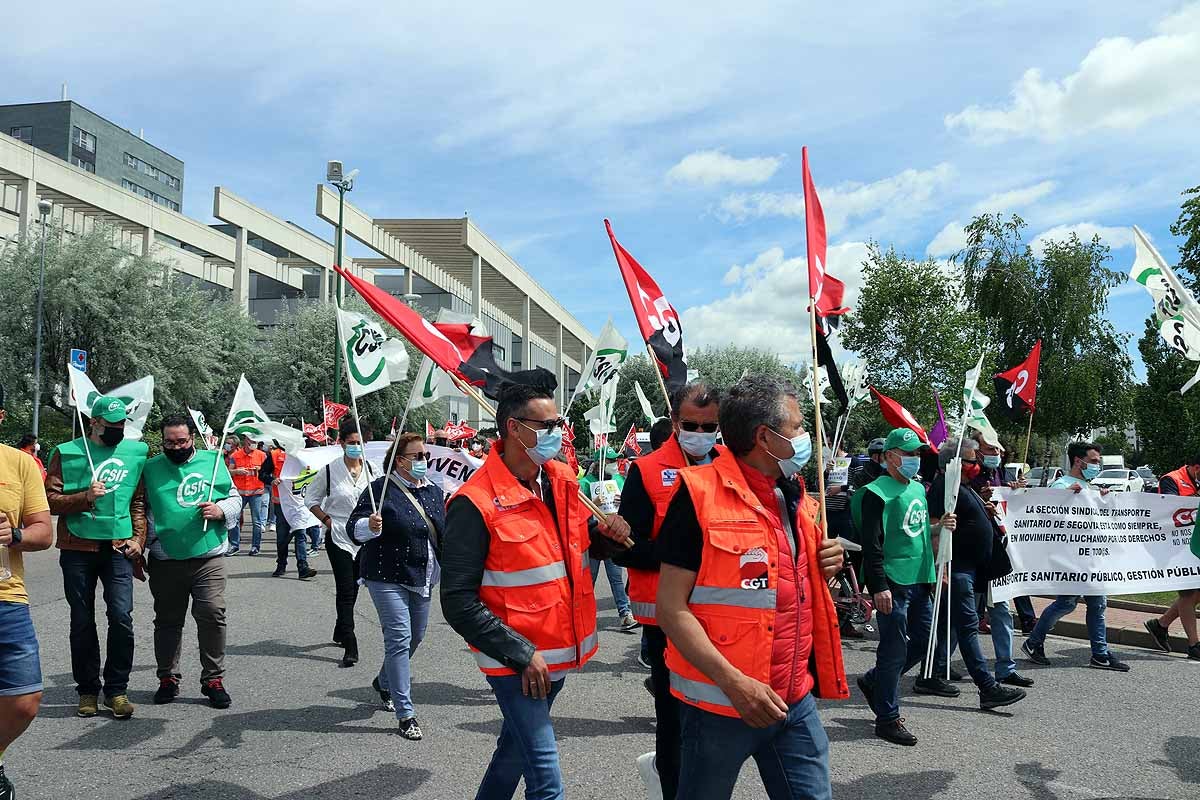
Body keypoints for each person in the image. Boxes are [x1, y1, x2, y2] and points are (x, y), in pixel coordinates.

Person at [654, 374, 846, 800]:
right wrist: (736, 684)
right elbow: (670, 608)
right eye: (797, 427)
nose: (805, 436)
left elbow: (781, 583)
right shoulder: (697, 494)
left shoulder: (794, 494)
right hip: (720, 706)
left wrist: (824, 567)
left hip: (794, 701)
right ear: (766, 437)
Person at [440, 380, 631, 800]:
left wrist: (608, 536)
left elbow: (579, 543)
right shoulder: (474, 503)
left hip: (559, 651)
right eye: (548, 424)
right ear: (514, 428)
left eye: (559, 422)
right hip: (517, 662)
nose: (559, 432)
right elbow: (456, 602)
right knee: (545, 779)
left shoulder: (561, 478)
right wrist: (522, 654)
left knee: (512, 755)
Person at [612, 379, 723, 800]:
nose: (700, 433)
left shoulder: (731, 464)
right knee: (674, 716)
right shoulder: (645, 470)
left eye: (709, 425)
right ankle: (671, 783)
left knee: (714, 716)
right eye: (691, 424)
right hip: (667, 618)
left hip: (723, 613)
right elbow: (627, 547)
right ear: (675, 422)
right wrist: (683, 556)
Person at [45, 395, 149, 719]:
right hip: (77, 548)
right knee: (81, 621)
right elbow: (50, 499)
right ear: (94, 422)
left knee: (122, 617)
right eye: (111, 425)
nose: (117, 430)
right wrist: (84, 498)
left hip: (119, 548)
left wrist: (138, 539)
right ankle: (88, 690)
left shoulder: (136, 453)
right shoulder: (66, 452)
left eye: (122, 425)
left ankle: (117, 690)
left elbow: (138, 502)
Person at [853, 428, 956, 746]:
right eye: (908, 453)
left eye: (917, 454)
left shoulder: (917, 489)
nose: (914, 459)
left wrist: (941, 527)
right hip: (893, 583)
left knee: (926, 642)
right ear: (888, 457)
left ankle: (874, 682)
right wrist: (878, 586)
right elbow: (871, 545)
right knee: (893, 652)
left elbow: (919, 530)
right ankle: (887, 718)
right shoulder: (875, 492)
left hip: (921, 578)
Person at [142, 414, 244, 709]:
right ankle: (167, 678)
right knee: (167, 621)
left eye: (182, 441)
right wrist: (140, 546)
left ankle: (213, 679)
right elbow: (140, 508)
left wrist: (221, 509)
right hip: (166, 557)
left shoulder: (213, 463)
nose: (175, 447)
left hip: (207, 557)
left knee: (212, 613)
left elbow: (234, 497)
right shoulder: (150, 469)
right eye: (169, 442)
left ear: (192, 440)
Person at [347, 433, 444, 740]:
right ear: (399, 461)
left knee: (417, 635)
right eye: (416, 456)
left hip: (422, 576)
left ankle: (383, 681)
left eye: (424, 455)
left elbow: (443, 533)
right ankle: (406, 713)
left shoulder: (434, 492)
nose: (423, 461)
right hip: (385, 575)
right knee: (399, 638)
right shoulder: (380, 490)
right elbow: (354, 528)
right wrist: (369, 526)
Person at [922, 438, 1030, 709]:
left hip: (969, 570)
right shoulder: (942, 486)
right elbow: (936, 528)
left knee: (953, 625)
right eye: (972, 460)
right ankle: (987, 686)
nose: (977, 465)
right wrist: (941, 568)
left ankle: (930, 672)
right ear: (954, 462)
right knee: (968, 626)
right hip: (956, 570)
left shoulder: (961, 486)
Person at [1022, 441, 1129, 671]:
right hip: (1070, 560)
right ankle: (1034, 642)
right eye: (1093, 461)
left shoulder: (1089, 486)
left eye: (1098, 462)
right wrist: (1066, 497)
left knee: (1096, 603)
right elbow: (1046, 512)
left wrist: (1103, 499)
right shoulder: (1062, 485)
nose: (1096, 465)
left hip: (1090, 559)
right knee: (1067, 603)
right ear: (1078, 461)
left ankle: (1099, 653)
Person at [0, 383, 54, 800]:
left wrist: (15, 534)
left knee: (24, 700)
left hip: (6, 596)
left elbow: (43, 532)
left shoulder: (19, 463)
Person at [308, 419, 377, 667]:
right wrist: (326, 520)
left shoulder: (373, 470)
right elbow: (311, 499)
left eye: (360, 443)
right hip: (338, 535)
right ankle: (350, 640)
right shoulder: (329, 471)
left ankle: (340, 627)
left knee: (355, 587)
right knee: (346, 589)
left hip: (365, 538)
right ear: (341, 443)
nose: (356, 447)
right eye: (351, 443)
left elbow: (380, 500)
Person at [1144, 460, 1200, 660]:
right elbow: (1170, 506)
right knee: (1188, 594)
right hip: (1177, 548)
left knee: (1196, 594)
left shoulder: (1196, 481)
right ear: (1196, 468)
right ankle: (1194, 645)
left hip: (1194, 544)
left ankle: (1160, 625)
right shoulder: (1172, 479)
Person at [581, 449, 638, 632]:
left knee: (617, 578)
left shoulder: (619, 480)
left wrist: (625, 501)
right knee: (589, 579)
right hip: (593, 537)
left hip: (613, 536)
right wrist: (594, 503)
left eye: (615, 459)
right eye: (610, 460)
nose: (614, 462)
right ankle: (582, 615)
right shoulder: (584, 483)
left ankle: (625, 613)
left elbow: (628, 503)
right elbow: (577, 508)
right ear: (599, 463)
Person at [260, 446, 317, 580]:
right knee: (283, 537)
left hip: (299, 504)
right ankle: (281, 565)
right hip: (281, 504)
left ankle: (303, 567)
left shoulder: (305, 455)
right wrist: (271, 480)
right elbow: (262, 474)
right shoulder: (274, 455)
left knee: (300, 534)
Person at [227, 434, 268, 556]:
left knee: (257, 521)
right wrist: (237, 471)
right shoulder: (235, 455)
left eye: (256, 440)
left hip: (256, 492)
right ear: (246, 441)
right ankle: (234, 545)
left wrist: (259, 469)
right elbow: (229, 471)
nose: (254, 443)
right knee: (235, 519)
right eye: (251, 440)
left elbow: (267, 472)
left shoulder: (262, 455)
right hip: (239, 492)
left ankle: (256, 546)